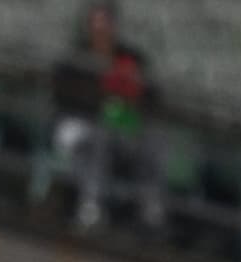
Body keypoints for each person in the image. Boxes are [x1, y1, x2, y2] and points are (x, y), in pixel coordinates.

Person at [50, 0, 166, 234]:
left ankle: (150, 209)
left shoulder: (129, 58)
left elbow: (150, 97)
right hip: (80, 127)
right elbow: (68, 96)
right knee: (98, 137)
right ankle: (90, 206)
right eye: (96, 24)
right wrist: (107, 103)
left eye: (106, 24)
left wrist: (121, 103)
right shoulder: (76, 58)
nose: (101, 31)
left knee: (151, 140)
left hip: (121, 126)